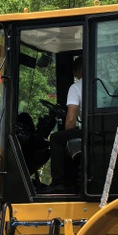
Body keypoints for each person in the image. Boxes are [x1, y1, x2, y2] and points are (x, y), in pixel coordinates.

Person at [49, 57, 83, 191]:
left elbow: (70, 120)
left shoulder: (76, 87)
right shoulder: (102, 84)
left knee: (56, 138)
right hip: (101, 131)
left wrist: (68, 132)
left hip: (88, 133)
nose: (74, 75)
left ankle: (58, 182)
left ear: (80, 69)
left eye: (75, 71)